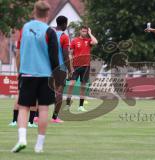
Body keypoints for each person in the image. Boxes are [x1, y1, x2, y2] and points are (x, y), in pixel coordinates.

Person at [11, 1, 60, 153]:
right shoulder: (50, 32)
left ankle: (22, 139)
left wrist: (19, 71)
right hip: (45, 75)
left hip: (27, 73)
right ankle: (39, 145)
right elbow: (54, 58)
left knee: (24, 108)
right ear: (48, 14)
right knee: (43, 109)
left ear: (34, 11)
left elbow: (19, 52)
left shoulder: (25, 28)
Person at [66, 26, 98, 111]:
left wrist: (90, 33)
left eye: (86, 32)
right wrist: (70, 67)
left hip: (86, 66)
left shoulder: (88, 41)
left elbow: (95, 42)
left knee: (83, 86)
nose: (85, 33)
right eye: (83, 31)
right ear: (80, 31)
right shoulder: (74, 41)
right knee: (71, 85)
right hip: (76, 66)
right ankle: (67, 104)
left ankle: (81, 106)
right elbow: (70, 54)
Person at [51, 15, 73, 123]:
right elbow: (65, 55)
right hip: (60, 67)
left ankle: (36, 116)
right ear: (64, 24)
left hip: (48, 66)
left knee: (45, 90)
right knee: (59, 91)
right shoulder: (64, 36)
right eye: (66, 23)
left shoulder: (50, 34)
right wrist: (70, 69)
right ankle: (55, 117)